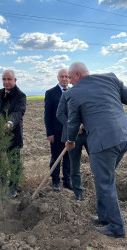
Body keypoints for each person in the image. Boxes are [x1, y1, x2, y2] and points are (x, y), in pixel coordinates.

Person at [65, 62, 127, 238]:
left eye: (70, 77)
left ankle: (116, 227)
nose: (69, 81)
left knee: (104, 181)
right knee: (103, 177)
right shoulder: (110, 78)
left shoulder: (74, 92)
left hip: (104, 142)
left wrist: (70, 140)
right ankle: (103, 216)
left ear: (77, 75)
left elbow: (73, 123)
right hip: (124, 136)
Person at [0, 70, 26, 198]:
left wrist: (10, 123)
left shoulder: (21, 95)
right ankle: (1, 179)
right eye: (4, 79)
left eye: (9, 79)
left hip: (13, 135)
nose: (6, 82)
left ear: (15, 80)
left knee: (13, 162)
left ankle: (13, 187)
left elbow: (19, 112)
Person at [56, 91, 89, 201]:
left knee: (97, 164)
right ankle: (77, 193)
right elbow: (60, 114)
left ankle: (102, 192)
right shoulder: (67, 94)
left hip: (90, 134)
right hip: (72, 136)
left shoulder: (90, 92)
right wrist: (73, 126)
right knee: (74, 166)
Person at [44, 69, 72, 192]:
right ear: (58, 78)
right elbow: (47, 115)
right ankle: (55, 181)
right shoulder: (51, 93)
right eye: (62, 76)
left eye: (66, 76)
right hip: (56, 133)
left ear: (69, 78)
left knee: (68, 158)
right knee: (55, 158)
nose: (64, 79)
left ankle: (67, 181)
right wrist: (49, 133)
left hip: (70, 133)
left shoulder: (73, 92)